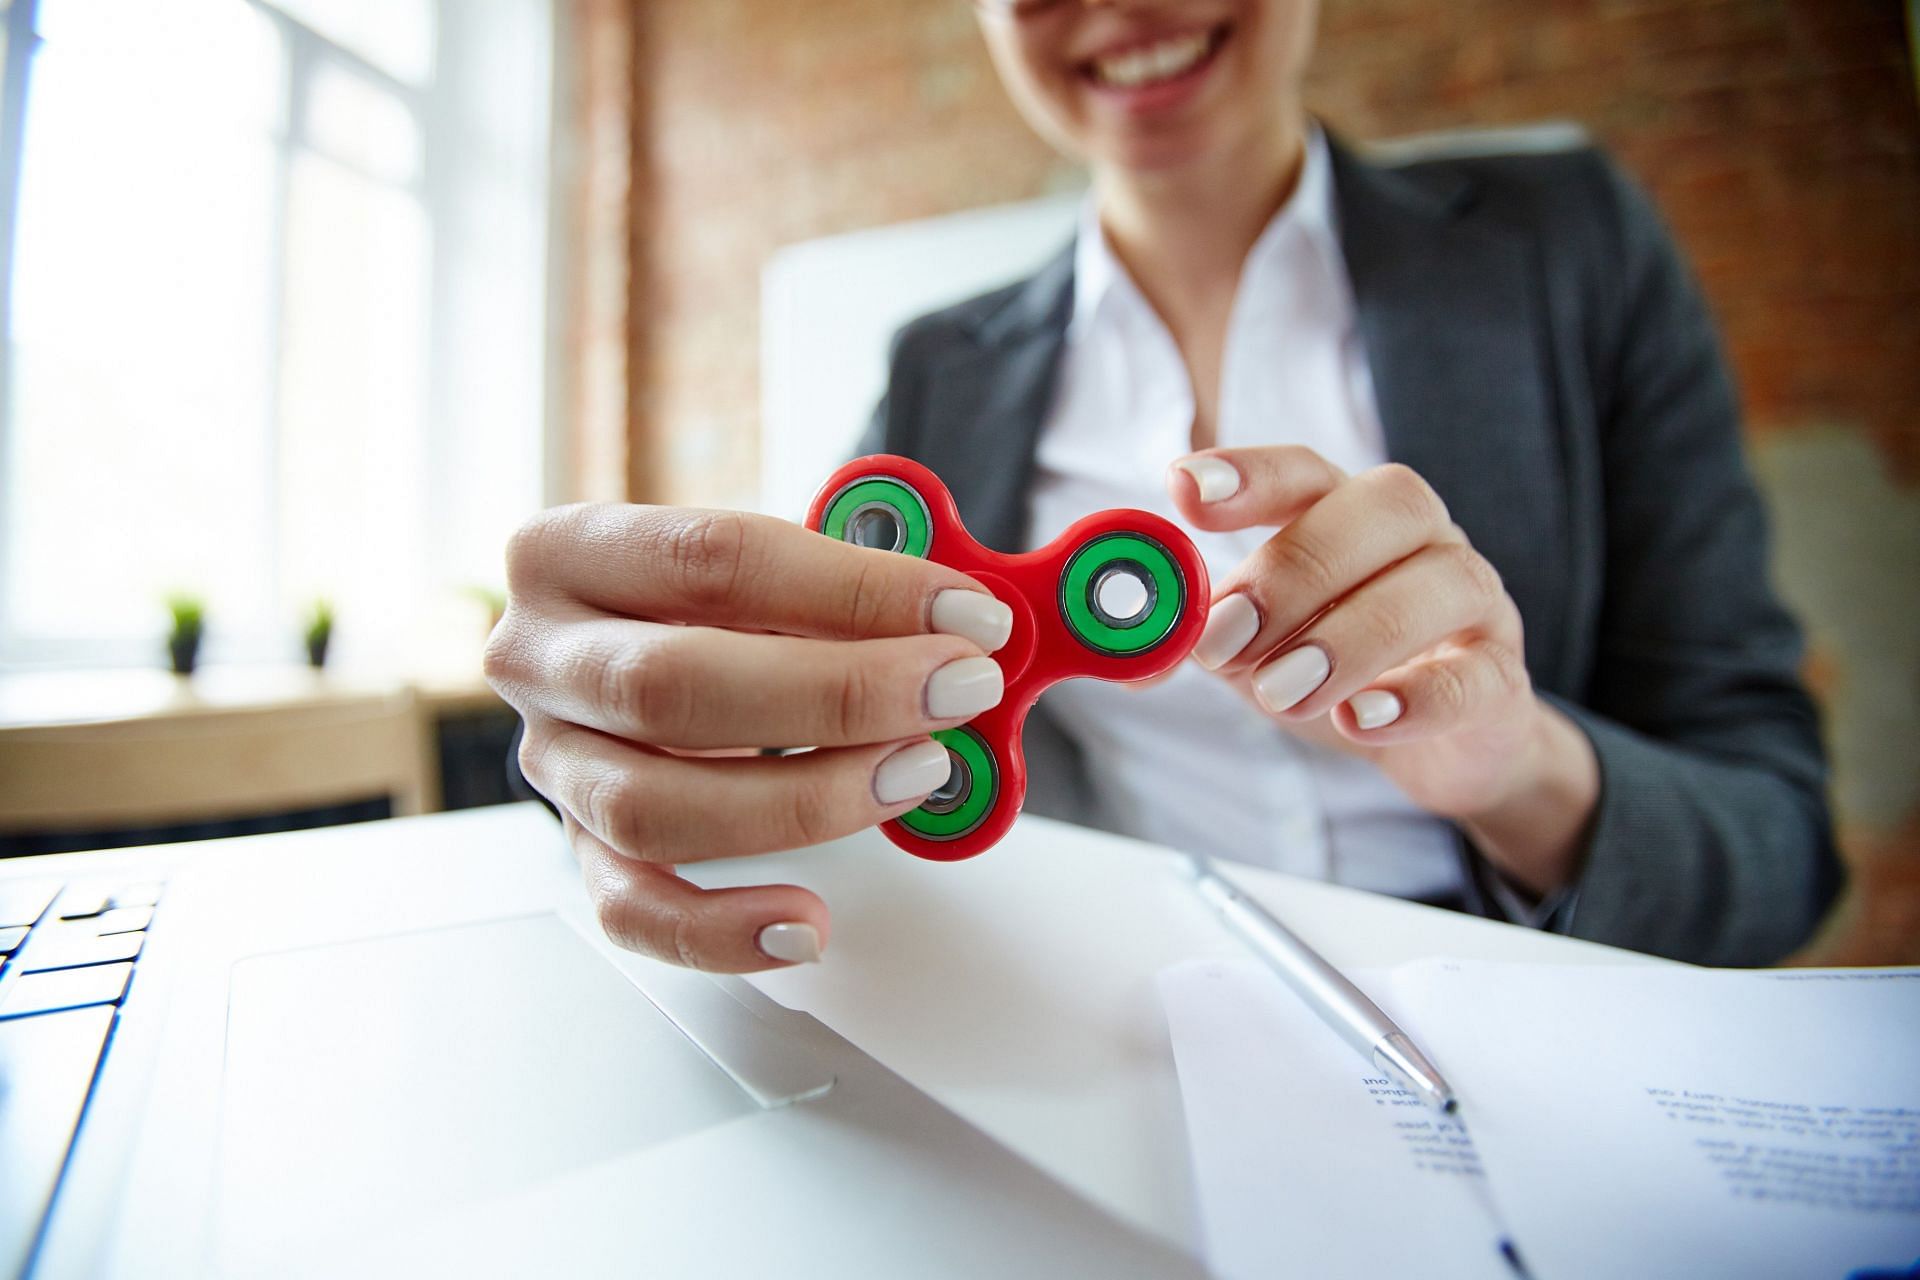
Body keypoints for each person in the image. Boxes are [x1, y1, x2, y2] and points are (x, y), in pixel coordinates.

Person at [485, 0, 1838, 973]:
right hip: (1112, 1029)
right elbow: (811, 731)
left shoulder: (1568, 246)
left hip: (1538, 1030)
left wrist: (1516, 765)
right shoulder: (941, 373)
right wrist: (653, 753)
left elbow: (1784, 852)